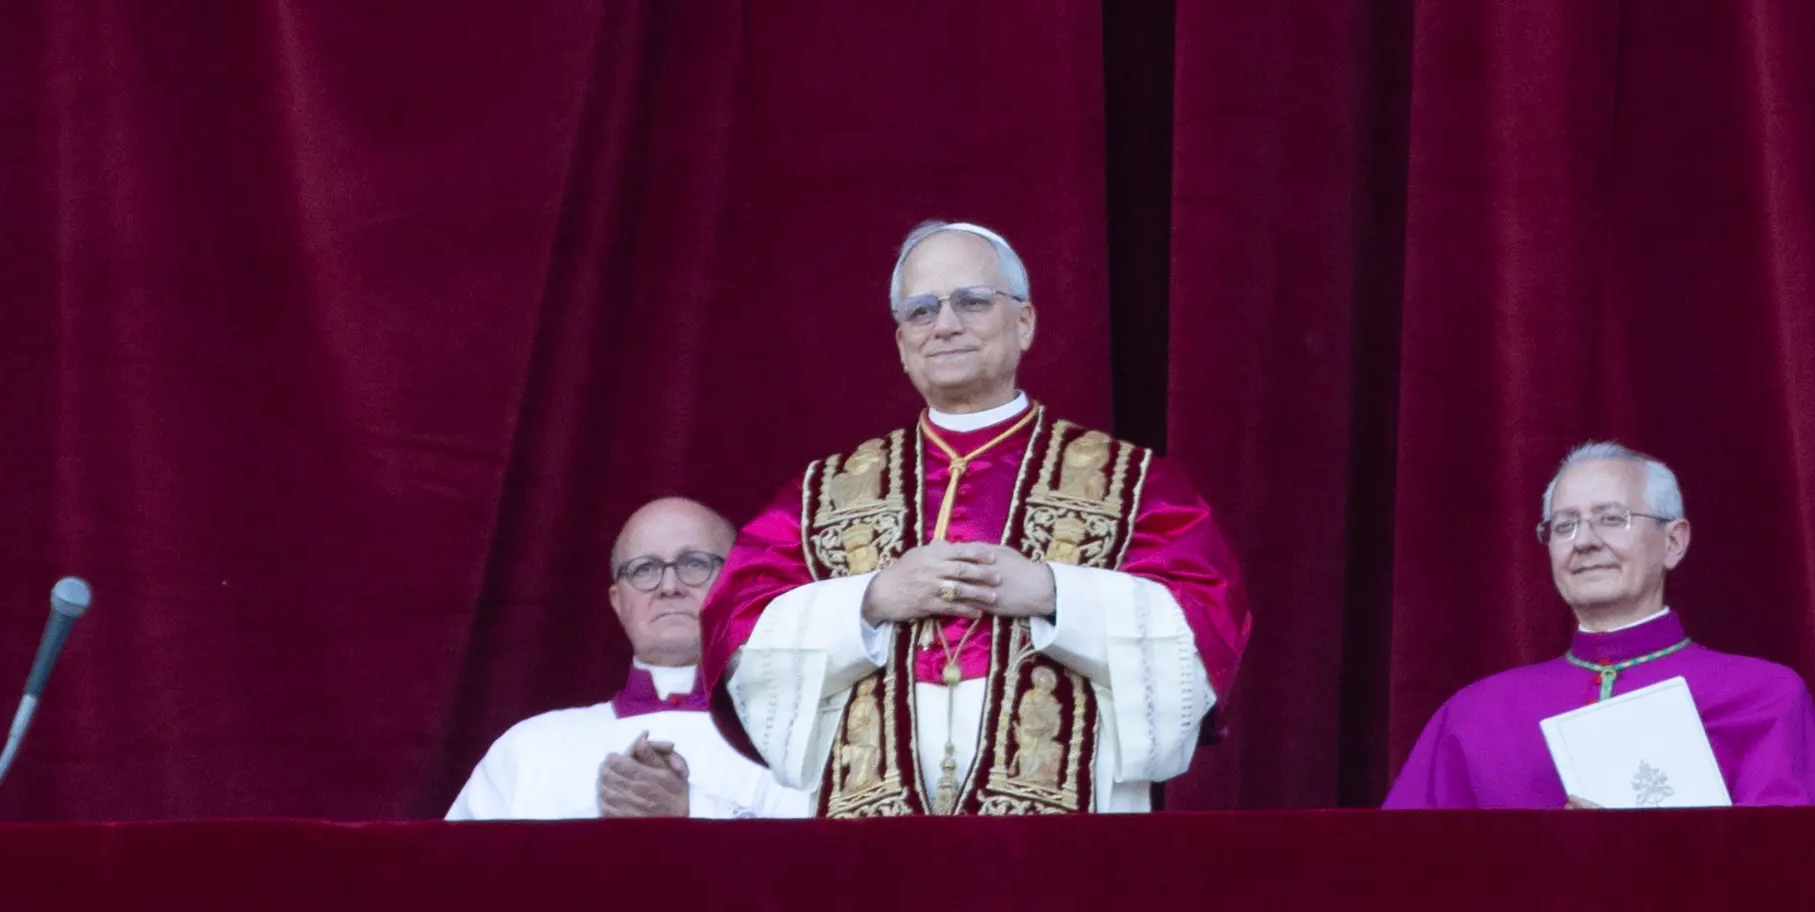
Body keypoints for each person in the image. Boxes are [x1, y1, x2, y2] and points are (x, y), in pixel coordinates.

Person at [699, 220, 1251, 816]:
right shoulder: (820, 494)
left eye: (972, 302)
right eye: (921, 311)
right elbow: (737, 634)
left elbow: (1206, 628)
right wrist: (871, 599)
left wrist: (1055, 592)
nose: (945, 325)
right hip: (866, 843)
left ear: (1025, 323)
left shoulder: (1136, 484)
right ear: (901, 343)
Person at [1382, 442, 1815, 809]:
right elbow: (1401, 872)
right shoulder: (1474, 715)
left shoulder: (1763, 696)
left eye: (1611, 519)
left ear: (1674, 542)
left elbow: (1801, 874)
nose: (1584, 541)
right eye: (1564, 526)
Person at [447, 498, 815, 820]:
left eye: (695, 564)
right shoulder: (528, 748)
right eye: (644, 569)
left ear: (738, 585)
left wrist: (695, 812)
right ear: (617, 601)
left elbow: (820, 879)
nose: (670, 587)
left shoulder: (796, 741)